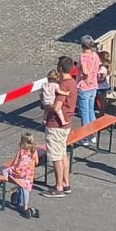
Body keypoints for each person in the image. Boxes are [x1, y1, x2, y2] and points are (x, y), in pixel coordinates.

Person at [42, 57, 77, 198]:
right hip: (67, 123)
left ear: (60, 68)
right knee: (63, 154)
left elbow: (56, 106)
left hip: (56, 125)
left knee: (56, 156)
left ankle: (58, 187)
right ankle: (66, 183)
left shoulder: (63, 85)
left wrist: (45, 106)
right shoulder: (73, 82)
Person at [1, 133, 39, 219]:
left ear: (22, 143)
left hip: (19, 173)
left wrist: (13, 167)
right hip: (29, 175)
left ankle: (5, 177)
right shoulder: (34, 152)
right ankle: (26, 206)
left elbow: (14, 163)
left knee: (4, 170)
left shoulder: (21, 152)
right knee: (26, 188)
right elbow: (36, 163)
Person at [75, 35, 101, 143]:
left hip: (84, 86)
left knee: (84, 112)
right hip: (94, 86)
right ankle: (93, 135)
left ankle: (86, 136)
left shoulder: (83, 56)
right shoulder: (95, 55)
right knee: (91, 111)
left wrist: (80, 69)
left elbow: (85, 71)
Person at [96, 51, 111, 116]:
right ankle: (102, 111)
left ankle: (101, 113)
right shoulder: (107, 66)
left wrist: (97, 81)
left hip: (101, 86)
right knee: (102, 100)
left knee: (101, 100)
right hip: (105, 86)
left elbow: (102, 78)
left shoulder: (102, 67)